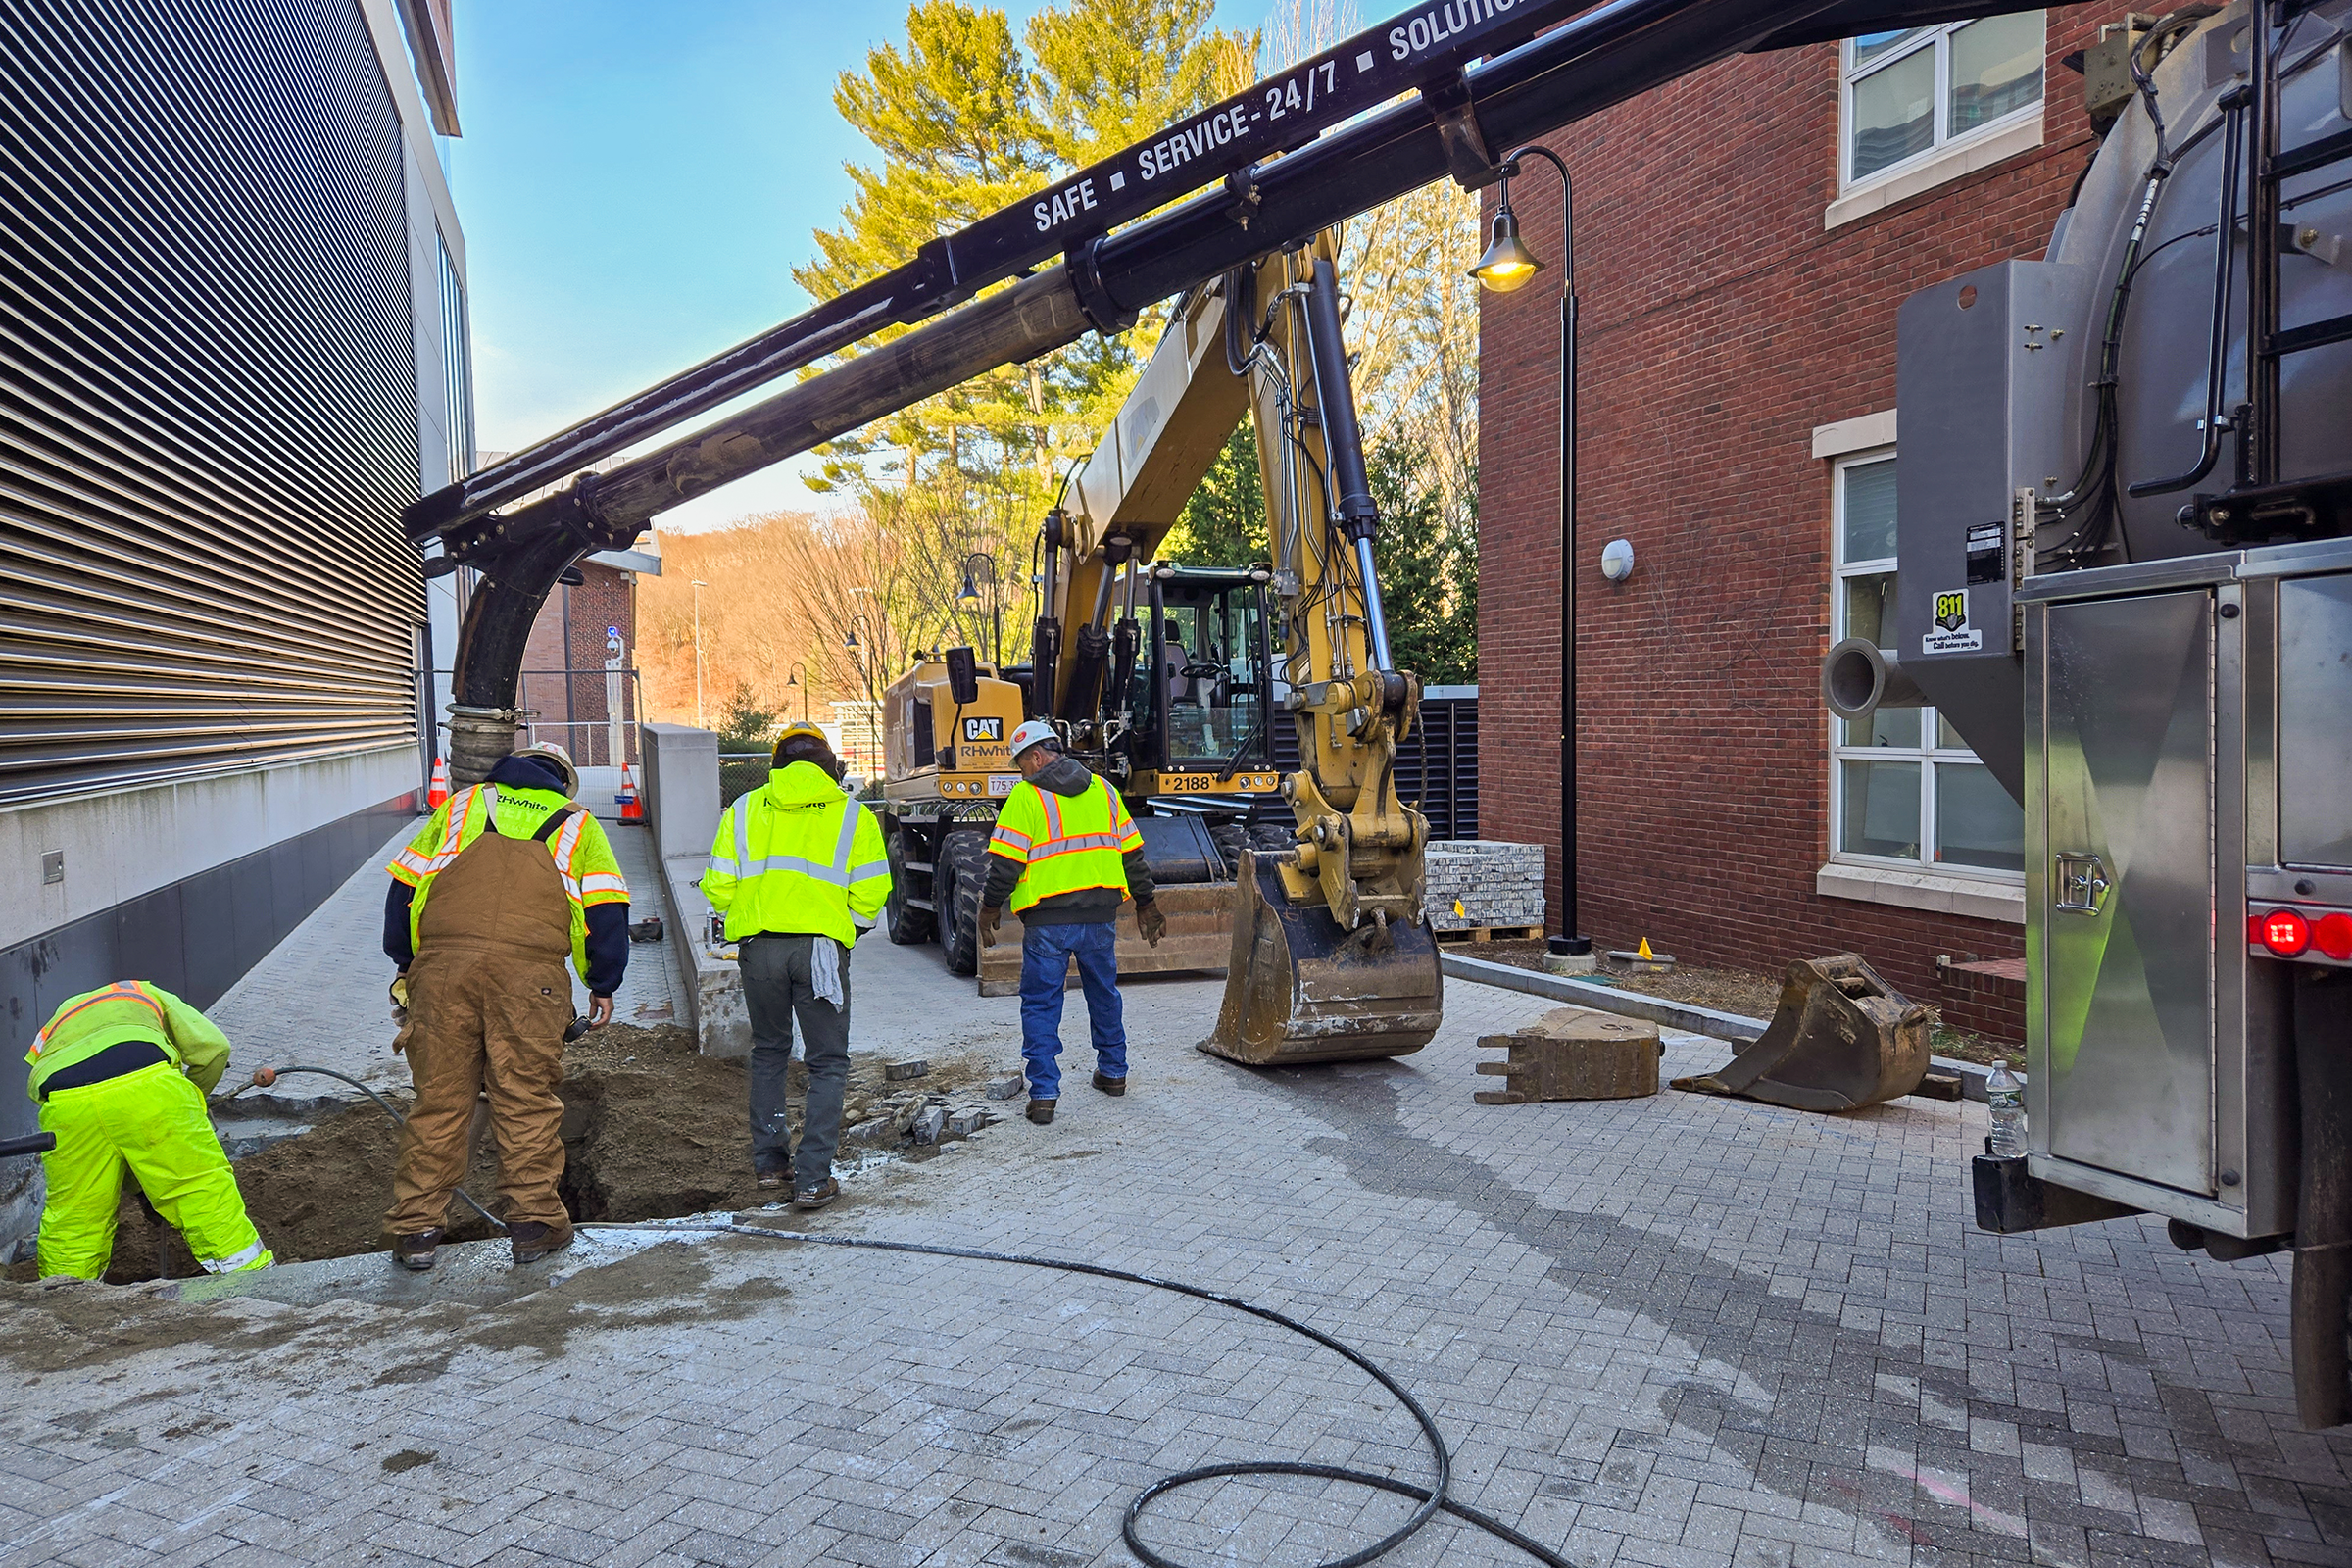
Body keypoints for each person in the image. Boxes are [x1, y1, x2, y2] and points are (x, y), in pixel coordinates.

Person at [381, 742, 628, 1269]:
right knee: (525, 1099)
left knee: (441, 1100)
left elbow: (406, 886)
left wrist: (407, 960)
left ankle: (417, 1231)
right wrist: (602, 982)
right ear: (563, 781)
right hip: (530, 981)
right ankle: (535, 1225)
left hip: (444, 973)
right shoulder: (578, 825)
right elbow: (605, 909)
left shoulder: (462, 806)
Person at [701, 721, 889, 1210]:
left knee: (769, 1051)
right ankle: (812, 1178)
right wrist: (845, 929)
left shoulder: (743, 809)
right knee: (827, 1062)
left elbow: (718, 886)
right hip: (821, 950)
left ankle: (770, 1165)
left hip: (759, 948)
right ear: (828, 764)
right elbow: (872, 892)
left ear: (776, 763)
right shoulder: (853, 814)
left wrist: (751, 916)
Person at [975, 720, 1164, 1124]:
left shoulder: (1026, 798)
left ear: (1037, 757)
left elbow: (1006, 865)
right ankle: (1114, 1073)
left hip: (1047, 922)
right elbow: (1132, 857)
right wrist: (1146, 904)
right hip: (1099, 917)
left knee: (1042, 1003)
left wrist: (990, 907)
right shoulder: (1106, 791)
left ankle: (1044, 1094)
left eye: (1021, 764)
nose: (1020, 772)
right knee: (1104, 993)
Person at [23, 980, 273, 1281]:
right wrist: (193, 1100)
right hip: (150, 1087)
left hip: (65, 1105)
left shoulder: (60, 1017)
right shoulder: (145, 993)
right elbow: (214, 1049)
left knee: (75, 1217)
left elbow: (54, 1089)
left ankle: (64, 1302)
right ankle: (254, 1281)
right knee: (198, 1191)